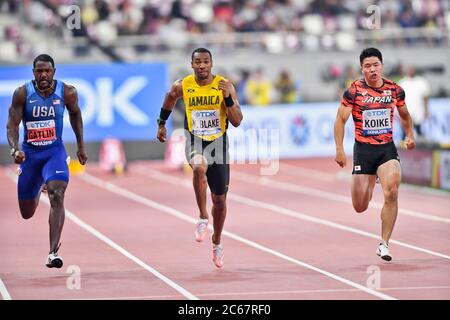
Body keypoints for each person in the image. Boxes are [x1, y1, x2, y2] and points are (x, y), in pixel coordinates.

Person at [156, 48, 243, 268]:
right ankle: (203, 217)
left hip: (219, 144)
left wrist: (227, 100)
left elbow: (237, 121)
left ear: (211, 64)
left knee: (220, 201)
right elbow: (169, 98)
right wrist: (161, 123)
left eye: (206, 62)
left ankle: (217, 241)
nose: (202, 65)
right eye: (198, 62)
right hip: (196, 140)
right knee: (198, 168)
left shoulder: (225, 85)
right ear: (192, 64)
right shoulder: (183, 85)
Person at [334, 48, 415, 261]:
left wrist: (409, 135)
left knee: (392, 191)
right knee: (360, 206)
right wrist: (339, 149)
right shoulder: (354, 91)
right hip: (363, 150)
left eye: (375, 65)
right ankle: (371, 180)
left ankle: (384, 243)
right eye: (367, 66)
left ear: (382, 66)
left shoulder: (394, 90)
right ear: (362, 69)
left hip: (386, 148)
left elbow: (405, 115)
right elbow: (340, 120)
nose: (372, 69)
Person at [6, 54, 87, 268]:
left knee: (57, 194)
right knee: (27, 213)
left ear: (54, 72)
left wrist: (80, 146)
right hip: (31, 156)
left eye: (47, 71)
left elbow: (76, 115)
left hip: (54, 152)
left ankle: (52, 252)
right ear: (33, 73)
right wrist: (15, 150)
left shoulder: (67, 92)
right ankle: (39, 183)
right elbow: (12, 125)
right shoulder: (22, 93)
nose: (43, 75)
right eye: (39, 71)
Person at [398, 66, 430, 137]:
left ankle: (420, 145)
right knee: (405, 130)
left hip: (418, 109)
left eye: (412, 70)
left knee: (418, 128)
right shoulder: (403, 82)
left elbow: (425, 97)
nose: (411, 72)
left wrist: (426, 110)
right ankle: (403, 145)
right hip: (406, 109)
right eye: (409, 70)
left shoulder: (421, 82)